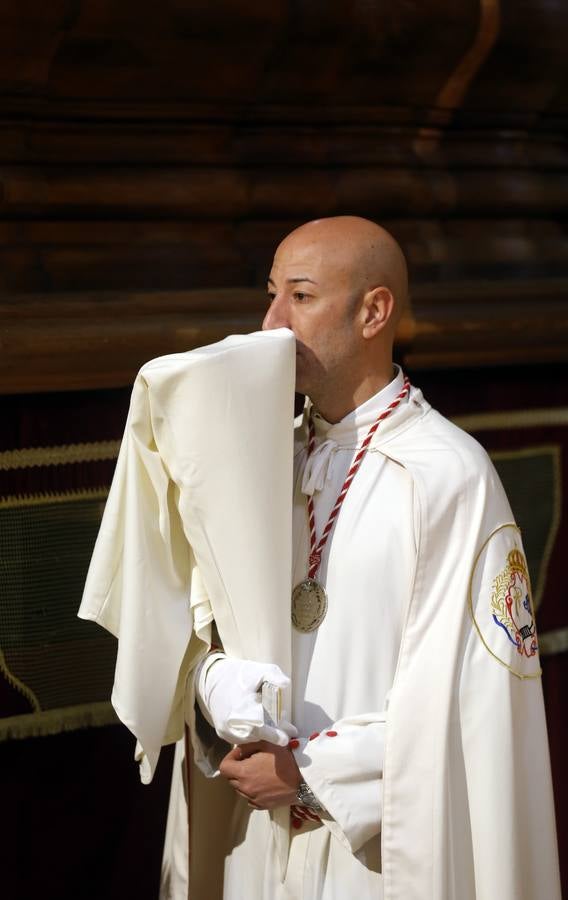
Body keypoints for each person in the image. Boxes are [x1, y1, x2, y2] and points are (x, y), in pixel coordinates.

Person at [187, 216, 561, 899]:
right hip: (258, 844)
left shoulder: (447, 477)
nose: (270, 323)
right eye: (269, 294)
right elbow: (200, 626)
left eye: (299, 297)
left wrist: (307, 771)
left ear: (374, 311)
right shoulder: (259, 459)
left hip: (379, 855)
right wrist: (214, 685)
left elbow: (473, 705)